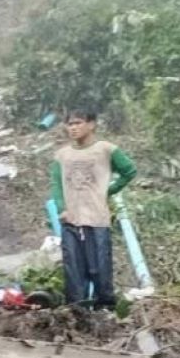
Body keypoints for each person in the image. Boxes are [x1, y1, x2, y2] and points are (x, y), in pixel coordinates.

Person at [50, 107, 136, 308]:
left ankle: (104, 309)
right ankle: (77, 311)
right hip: (71, 220)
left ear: (91, 124)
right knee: (73, 269)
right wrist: (62, 208)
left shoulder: (106, 149)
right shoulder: (61, 155)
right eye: (70, 124)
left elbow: (129, 171)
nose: (73, 128)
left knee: (100, 268)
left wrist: (109, 190)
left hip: (97, 219)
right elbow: (56, 184)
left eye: (78, 123)